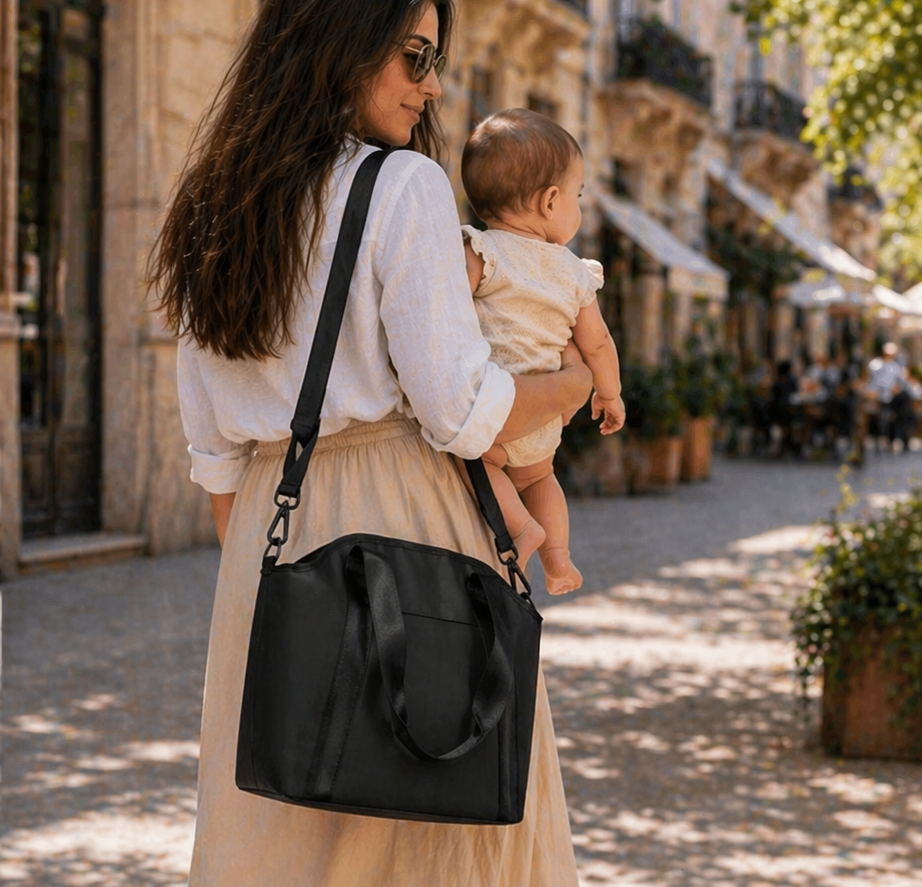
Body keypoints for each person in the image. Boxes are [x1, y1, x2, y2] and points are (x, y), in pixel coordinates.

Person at [147, 2, 591, 885]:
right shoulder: (403, 185)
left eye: (436, 57)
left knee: (283, 833)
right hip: (411, 528)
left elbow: (215, 458)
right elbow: (461, 408)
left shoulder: (210, 205)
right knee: (437, 822)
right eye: (414, 54)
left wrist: (269, 583)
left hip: (266, 551)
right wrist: (577, 380)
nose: (431, 83)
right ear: (337, 41)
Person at [458, 109, 625, 594]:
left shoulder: (481, 252)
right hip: (546, 419)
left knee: (480, 467)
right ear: (551, 202)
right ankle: (558, 560)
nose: (577, 206)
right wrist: (610, 396)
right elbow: (597, 342)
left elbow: (445, 311)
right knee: (542, 478)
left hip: (497, 407)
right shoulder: (574, 273)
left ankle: (521, 528)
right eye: (577, 196)